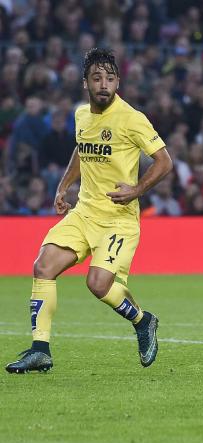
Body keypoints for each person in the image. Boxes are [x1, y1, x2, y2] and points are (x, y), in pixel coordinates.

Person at [5, 48, 173, 373]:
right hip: (84, 213)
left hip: (118, 221)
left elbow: (164, 161)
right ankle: (40, 350)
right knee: (43, 267)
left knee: (97, 284)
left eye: (110, 78)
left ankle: (143, 320)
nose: (104, 85)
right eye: (97, 78)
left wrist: (137, 189)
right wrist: (63, 185)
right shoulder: (82, 115)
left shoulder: (131, 118)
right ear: (85, 82)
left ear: (118, 81)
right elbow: (82, 149)